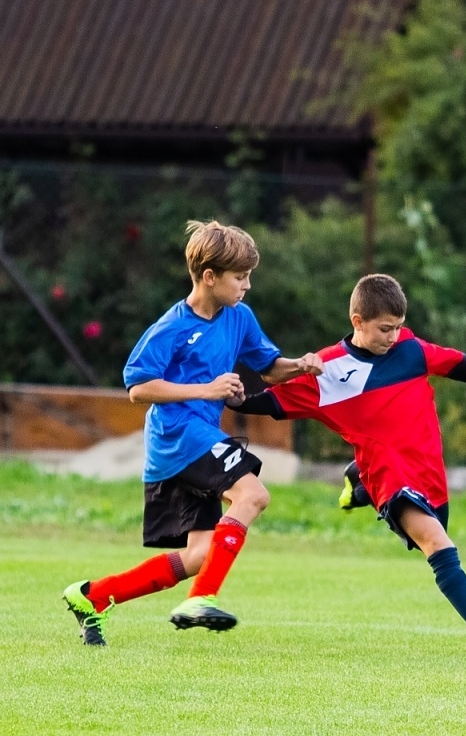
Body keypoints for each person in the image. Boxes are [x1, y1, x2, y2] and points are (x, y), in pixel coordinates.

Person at [227, 273, 466, 657]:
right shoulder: (329, 369)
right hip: (389, 475)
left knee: (437, 530)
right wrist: (236, 400)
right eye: (384, 329)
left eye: (398, 327)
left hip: (427, 469)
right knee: (436, 542)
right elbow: (275, 402)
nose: (393, 336)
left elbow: (456, 365)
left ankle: (358, 485)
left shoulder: (410, 348)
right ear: (358, 322)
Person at [62, 221, 324, 645]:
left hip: (197, 438)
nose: (248, 285)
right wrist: (207, 389)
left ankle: (93, 596)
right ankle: (201, 598)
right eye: (240, 277)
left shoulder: (239, 317)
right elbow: (138, 387)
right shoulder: (173, 326)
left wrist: (300, 365)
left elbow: (269, 368)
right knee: (253, 495)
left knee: (201, 554)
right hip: (178, 436)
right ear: (209, 276)